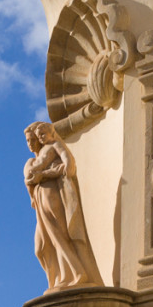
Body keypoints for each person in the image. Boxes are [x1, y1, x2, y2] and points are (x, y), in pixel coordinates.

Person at [25, 120, 107, 292]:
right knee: (41, 248)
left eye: (36, 138)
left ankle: (75, 274)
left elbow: (68, 167)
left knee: (59, 235)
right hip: (40, 198)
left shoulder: (54, 146)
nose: (32, 142)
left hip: (52, 194)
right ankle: (58, 279)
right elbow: (29, 180)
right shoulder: (33, 160)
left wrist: (44, 174)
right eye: (29, 140)